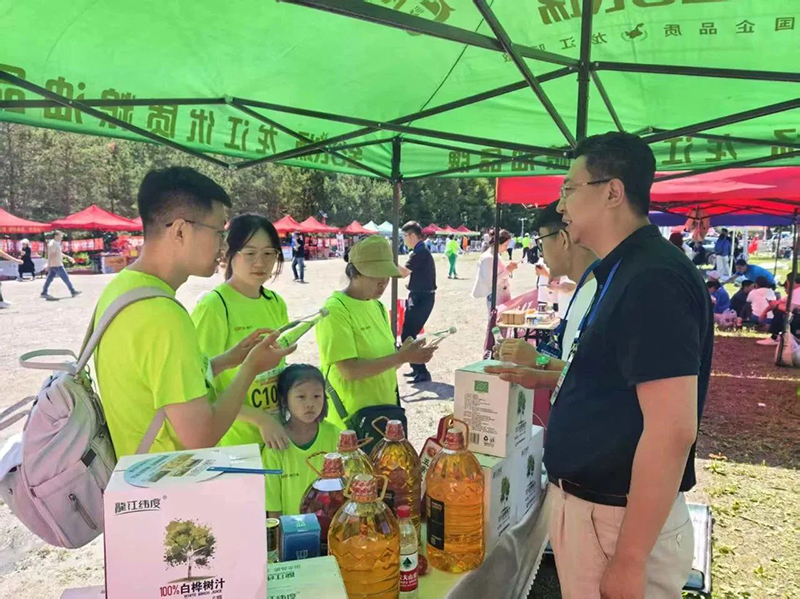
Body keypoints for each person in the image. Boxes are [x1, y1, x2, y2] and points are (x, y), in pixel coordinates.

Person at [487, 132, 712, 599]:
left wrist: (630, 559)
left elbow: (672, 430)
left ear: (612, 192)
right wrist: (544, 374)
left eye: (570, 188)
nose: (561, 203)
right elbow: (607, 380)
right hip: (596, 512)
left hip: (618, 521)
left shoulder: (652, 279)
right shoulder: (618, 270)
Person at [93, 166, 296, 458]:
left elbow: (163, 383)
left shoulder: (125, 288)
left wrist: (226, 361)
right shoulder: (163, 315)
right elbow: (201, 436)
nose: (224, 246)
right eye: (218, 232)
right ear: (180, 231)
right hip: (168, 478)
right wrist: (250, 368)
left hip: (140, 473)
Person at [192, 213, 291, 450]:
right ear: (229, 254)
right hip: (235, 441)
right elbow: (200, 385)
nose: (260, 262)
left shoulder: (275, 302)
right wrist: (259, 419)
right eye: (250, 253)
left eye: (268, 253)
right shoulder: (214, 306)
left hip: (275, 435)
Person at [315, 235, 436, 430]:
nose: (383, 282)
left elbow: (385, 364)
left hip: (384, 415)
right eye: (376, 274)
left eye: (387, 274)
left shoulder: (377, 307)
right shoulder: (335, 310)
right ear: (355, 273)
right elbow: (349, 370)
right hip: (350, 422)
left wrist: (405, 354)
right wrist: (401, 357)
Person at [497, 201, 599, 364]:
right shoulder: (591, 288)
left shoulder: (600, 296)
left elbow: (589, 374)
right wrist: (533, 362)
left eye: (541, 243)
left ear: (563, 239)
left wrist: (538, 360)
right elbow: (572, 368)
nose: (541, 254)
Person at [262, 364, 340, 517]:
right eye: (301, 397)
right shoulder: (275, 443)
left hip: (329, 526)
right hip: (291, 528)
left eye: (317, 396)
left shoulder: (334, 435)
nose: (310, 404)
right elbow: (272, 502)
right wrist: (277, 531)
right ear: (284, 400)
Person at [399, 221, 437, 383]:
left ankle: (421, 371)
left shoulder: (420, 252)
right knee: (409, 334)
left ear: (413, 235)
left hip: (422, 297)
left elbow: (403, 273)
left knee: (408, 335)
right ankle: (416, 368)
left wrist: (390, 260)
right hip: (419, 295)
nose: (404, 239)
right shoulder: (420, 250)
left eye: (405, 236)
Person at [471, 229, 518, 312]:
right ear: (498, 243)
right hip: (495, 297)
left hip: (502, 294)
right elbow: (490, 283)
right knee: (496, 318)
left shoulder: (495, 255)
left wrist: (509, 269)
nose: (506, 248)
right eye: (505, 245)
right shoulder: (488, 258)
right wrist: (507, 270)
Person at [758, 275, 800, 346]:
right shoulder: (795, 292)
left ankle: (775, 338)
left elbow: (789, 309)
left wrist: (778, 306)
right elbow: (778, 302)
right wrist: (765, 311)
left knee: (781, 312)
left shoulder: (797, 291)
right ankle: (782, 336)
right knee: (779, 308)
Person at [41, 231, 81, 299]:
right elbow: (51, 255)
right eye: (60, 236)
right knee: (65, 278)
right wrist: (48, 264)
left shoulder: (55, 243)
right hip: (57, 264)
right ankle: (73, 291)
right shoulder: (53, 244)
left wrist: (67, 257)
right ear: (56, 236)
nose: (61, 238)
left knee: (49, 279)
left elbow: (59, 253)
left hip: (55, 264)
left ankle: (44, 292)